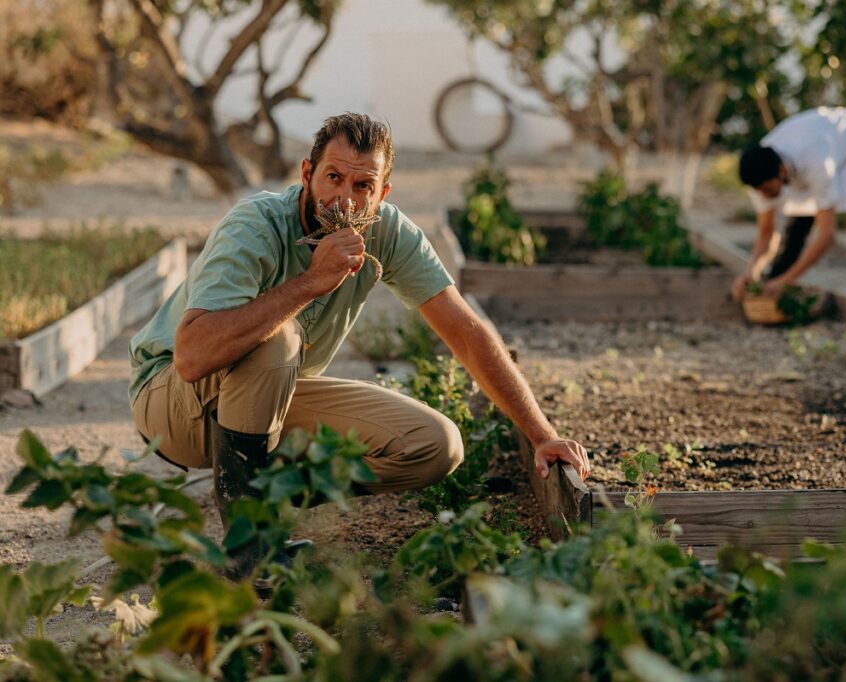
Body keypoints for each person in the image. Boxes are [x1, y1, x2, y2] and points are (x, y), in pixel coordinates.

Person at [129, 113, 590, 549]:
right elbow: (191, 356)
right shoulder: (255, 225)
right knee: (281, 338)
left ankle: (263, 496)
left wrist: (541, 433)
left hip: (268, 402)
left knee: (435, 445)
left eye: (362, 185)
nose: (345, 200)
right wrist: (310, 282)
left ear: (382, 194)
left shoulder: (388, 234)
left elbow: (466, 332)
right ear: (307, 172)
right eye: (333, 177)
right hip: (171, 407)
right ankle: (251, 546)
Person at [733, 106, 846, 303]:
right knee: (798, 225)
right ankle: (772, 290)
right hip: (817, 149)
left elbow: (827, 235)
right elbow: (766, 233)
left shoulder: (817, 163)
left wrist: (787, 281)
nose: (764, 196)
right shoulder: (758, 172)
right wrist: (752, 271)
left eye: (767, 190)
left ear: (782, 171)